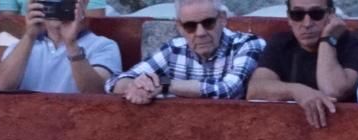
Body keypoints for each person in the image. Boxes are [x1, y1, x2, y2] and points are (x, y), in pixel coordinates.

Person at [104, 0, 265, 104]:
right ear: (180, 27)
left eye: (208, 23)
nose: (200, 32)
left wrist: (164, 84)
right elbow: (113, 82)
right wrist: (138, 85)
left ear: (222, 19)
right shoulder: (174, 49)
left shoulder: (247, 44)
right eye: (190, 26)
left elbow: (229, 90)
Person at [247, 1, 358, 128]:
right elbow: (255, 89)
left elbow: (333, 91)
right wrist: (298, 91)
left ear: (331, 15)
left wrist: (328, 40)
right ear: (289, 18)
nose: (307, 23)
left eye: (316, 14)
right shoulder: (281, 43)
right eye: (297, 14)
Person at [0, 0, 121, 95]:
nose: (56, 5)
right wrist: (29, 36)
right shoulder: (22, 47)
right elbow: (3, 87)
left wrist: (71, 44)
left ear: (83, 4)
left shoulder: (103, 46)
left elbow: (97, 93)